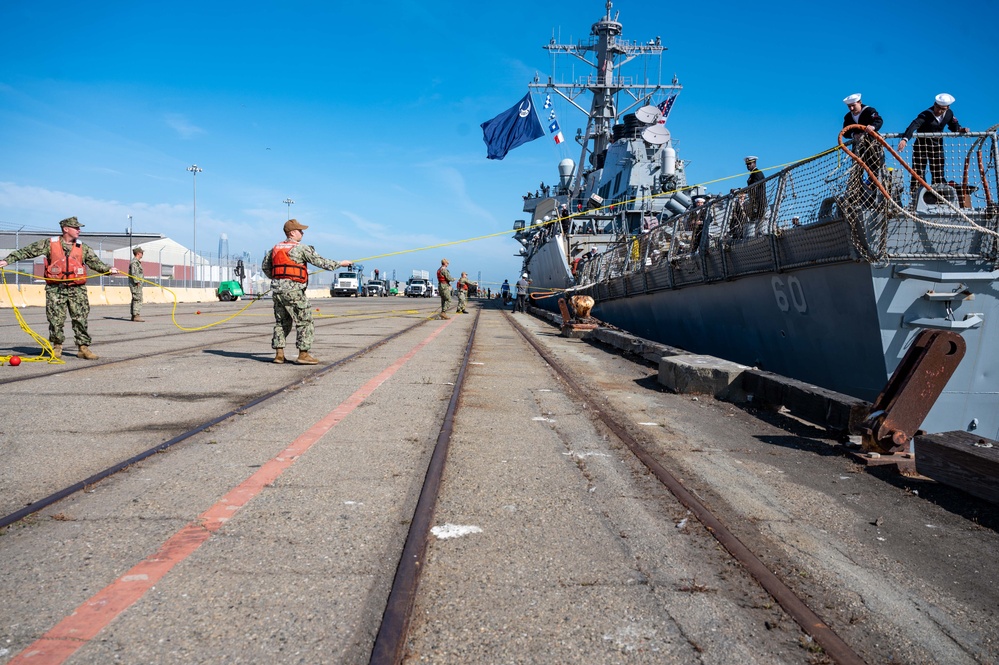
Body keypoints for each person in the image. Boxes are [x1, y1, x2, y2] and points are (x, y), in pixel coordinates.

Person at [0, 216, 121, 359]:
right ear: (65, 229)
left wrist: (108, 269)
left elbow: (96, 263)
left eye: (79, 227)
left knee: (80, 319)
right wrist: (7, 260)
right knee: (55, 319)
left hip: (77, 290)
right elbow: (27, 251)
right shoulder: (49, 244)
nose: (79, 230)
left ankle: (83, 348)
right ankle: (57, 347)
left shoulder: (83, 247)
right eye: (76, 227)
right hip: (55, 289)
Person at [261, 219, 352, 365]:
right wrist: (341, 263)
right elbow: (321, 262)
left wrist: (280, 279)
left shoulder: (275, 248)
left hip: (278, 290)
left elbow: (266, 267)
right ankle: (303, 354)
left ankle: (279, 354)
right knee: (305, 321)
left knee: (281, 322)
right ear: (292, 233)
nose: (302, 233)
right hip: (294, 290)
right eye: (300, 230)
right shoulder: (301, 248)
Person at [898, 93, 969, 203]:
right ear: (934, 104)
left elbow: (954, 126)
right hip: (922, 147)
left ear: (947, 108)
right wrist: (904, 139)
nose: (939, 111)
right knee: (918, 171)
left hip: (937, 147)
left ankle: (939, 198)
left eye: (942, 109)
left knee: (938, 172)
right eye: (937, 107)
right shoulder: (925, 115)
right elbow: (914, 125)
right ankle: (918, 198)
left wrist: (960, 129)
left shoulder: (949, 114)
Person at [842, 93, 885, 179]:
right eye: (849, 106)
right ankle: (858, 189)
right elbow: (845, 131)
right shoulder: (848, 117)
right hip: (858, 147)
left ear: (859, 102)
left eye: (853, 105)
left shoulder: (869, 111)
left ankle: (874, 186)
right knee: (857, 167)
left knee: (873, 166)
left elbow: (878, 120)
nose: (851, 108)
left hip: (872, 145)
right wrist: (854, 135)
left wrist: (872, 127)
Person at [745, 156, 768, 224]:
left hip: (759, 202)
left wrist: (740, 190)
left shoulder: (757, 173)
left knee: (759, 223)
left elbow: (753, 186)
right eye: (747, 164)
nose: (748, 166)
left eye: (750, 163)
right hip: (754, 202)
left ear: (754, 163)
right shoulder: (752, 174)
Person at [129, 246, 145, 322]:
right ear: (138, 253)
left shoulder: (136, 262)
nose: (142, 254)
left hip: (137, 283)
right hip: (136, 284)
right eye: (142, 253)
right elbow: (134, 272)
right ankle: (136, 315)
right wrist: (137, 281)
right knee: (137, 298)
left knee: (136, 298)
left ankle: (134, 315)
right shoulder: (134, 262)